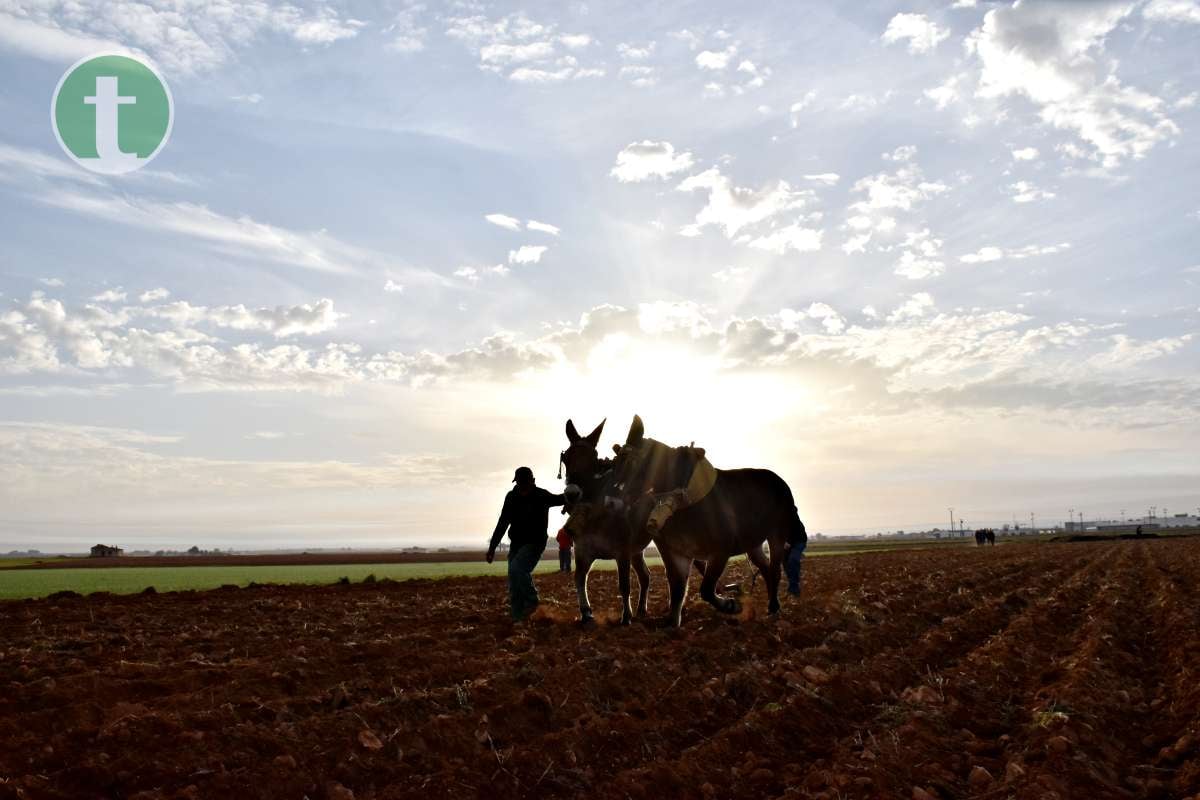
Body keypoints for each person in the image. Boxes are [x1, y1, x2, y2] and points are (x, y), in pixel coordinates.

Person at [487, 467, 565, 621]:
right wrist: (492, 548)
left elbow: (560, 499)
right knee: (513, 579)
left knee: (517, 568)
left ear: (532, 482)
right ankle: (518, 617)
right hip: (516, 544)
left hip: (535, 543)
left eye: (524, 483)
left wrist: (574, 492)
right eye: (519, 483)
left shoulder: (541, 495)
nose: (521, 487)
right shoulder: (511, 497)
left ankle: (532, 602)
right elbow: (502, 523)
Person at [783, 518, 808, 597]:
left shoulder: (792, 517)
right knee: (786, 565)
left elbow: (797, 532)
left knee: (793, 560)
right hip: (786, 544)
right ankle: (792, 585)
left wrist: (789, 542)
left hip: (799, 541)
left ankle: (794, 589)